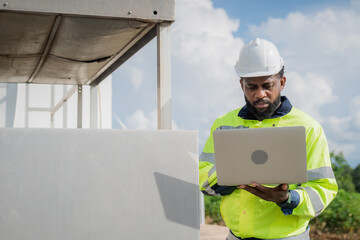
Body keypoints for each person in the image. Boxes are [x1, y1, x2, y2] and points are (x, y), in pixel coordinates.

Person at [199, 38, 338, 240]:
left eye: (267, 85)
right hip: (235, 236)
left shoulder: (308, 128)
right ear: (241, 85)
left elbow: (323, 188)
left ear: (282, 82)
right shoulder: (223, 124)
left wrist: (288, 199)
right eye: (251, 87)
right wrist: (231, 178)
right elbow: (203, 175)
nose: (260, 94)